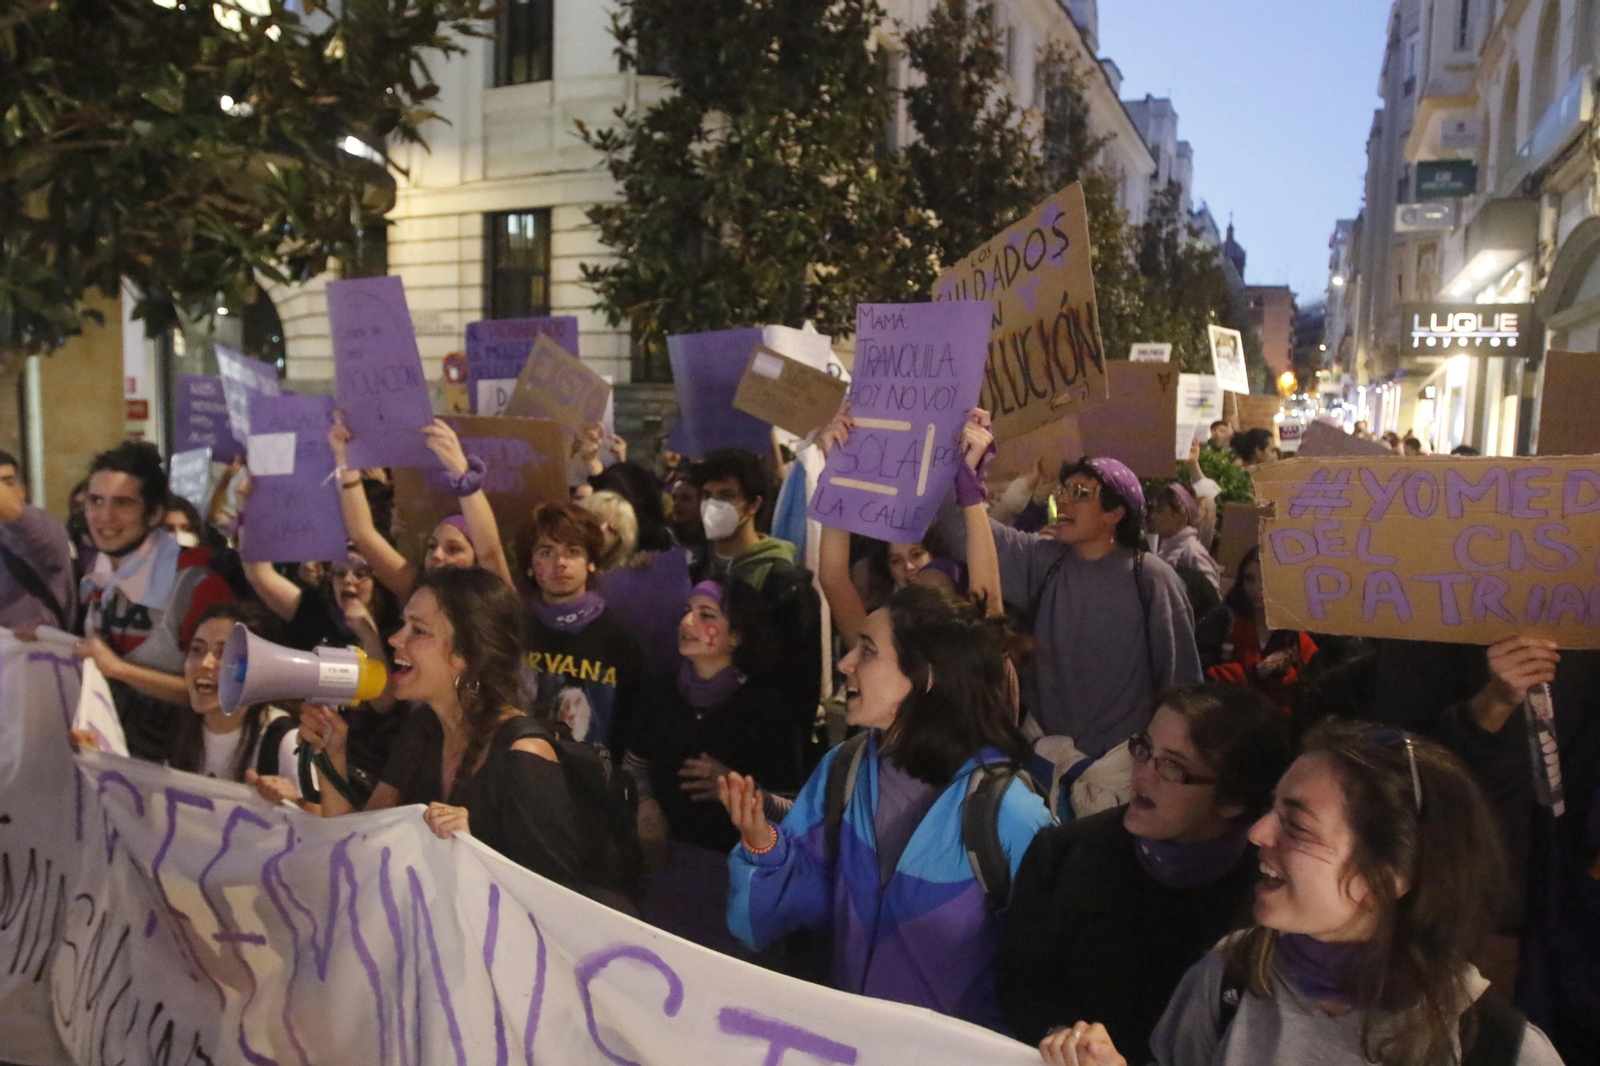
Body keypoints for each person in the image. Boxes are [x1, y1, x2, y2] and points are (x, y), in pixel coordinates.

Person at [1039, 720, 1566, 1066]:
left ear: (1386, 879)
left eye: (1297, 827)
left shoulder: (1494, 1049)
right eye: (1273, 810)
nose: (1258, 833)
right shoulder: (1231, 979)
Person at [721, 584, 1055, 1030]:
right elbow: (782, 913)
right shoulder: (843, 769)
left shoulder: (1009, 815)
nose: (845, 663)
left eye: (868, 651)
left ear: (926, 678)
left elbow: (1049, 979)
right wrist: (763, 845)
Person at [263, 567, 637, 907]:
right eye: (402, 625)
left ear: (467, 654)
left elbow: (557, 907)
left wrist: (476, 847)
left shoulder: (525, 756)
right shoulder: (422, 729)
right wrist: (333, 755)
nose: (395, 639)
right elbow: (360, 847)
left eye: (417, 630)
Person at [1004, 685, 1291, 1062]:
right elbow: (1021, 983)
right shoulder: (1063, 854)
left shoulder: (1269, 903)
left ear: (1234, 799)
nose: (1141, 774)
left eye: (1172, 766)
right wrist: (1066, 1038)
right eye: (1143, 749)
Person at [934, 441, 1202, 815]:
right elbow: (958, 530)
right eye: (1063, 491)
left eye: (1081, 494)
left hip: (1117, 779)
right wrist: (963, 465)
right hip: (1039, 766)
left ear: (1115, 513)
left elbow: (1182, 685)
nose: (1064, 501)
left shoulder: (1152, 579)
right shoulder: (1043, 561)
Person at [626, 578, 802, 953]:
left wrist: (738, 790)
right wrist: (644, 802)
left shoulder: (767, 708)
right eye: (686, 611)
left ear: (736, 635)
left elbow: (794, 810)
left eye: (705, 615)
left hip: (735, 880)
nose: (687, 622)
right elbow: (635, 764)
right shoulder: (660, 692)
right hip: (663, 868)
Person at [74, 440, 234, 760]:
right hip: (115, 764)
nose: (104, 516)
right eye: (95, 500)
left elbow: (225, 691)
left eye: (123, 503)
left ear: (154, 514)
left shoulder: (197, 584)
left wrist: (120, 670)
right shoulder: (96, 576)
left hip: (182, 769)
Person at [816, 404, 1000, 647]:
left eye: (917, 556)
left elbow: (833, 577)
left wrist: (838, 474)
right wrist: (969, 486)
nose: (911, 570)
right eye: (896, 560)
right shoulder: (884, 650)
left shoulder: (885, 654)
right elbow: (989, 603)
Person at [330, 412, 513, 597]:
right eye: (432, 546)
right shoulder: (419, 592)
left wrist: (462, 472)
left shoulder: (495, 601)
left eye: (454, 549)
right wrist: (346, 462)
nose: (437, 555)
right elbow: (362, 535)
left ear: (476, 560)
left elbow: (490, 553)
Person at [519, 502, 646, 756]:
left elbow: (638, 724)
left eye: (573, 551)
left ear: (591, 562)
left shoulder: (620, 638)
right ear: (530, 565)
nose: (561, 562)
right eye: (546, 552)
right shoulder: (513, 629)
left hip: (597, 779)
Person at [1203, 548, 1317, 715]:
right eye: (1249, 579)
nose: (1257, 588)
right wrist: (1254, 674)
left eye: (1266, 580)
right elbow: (1198, 676)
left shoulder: (1297, 637)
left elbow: (1311, 692)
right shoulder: (1225, 621)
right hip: (1225, 723)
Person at [0, 448, 75, 631]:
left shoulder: (45, 530)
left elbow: (34, 533)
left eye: (7, 483)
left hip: (33, 655)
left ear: (22, 491)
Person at [1149, 483, 1221, 594]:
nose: (1153, 516)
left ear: (1178, 515)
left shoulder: (1191, 551)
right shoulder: (1165, 551)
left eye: (1160, 511)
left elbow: (1211, 596)